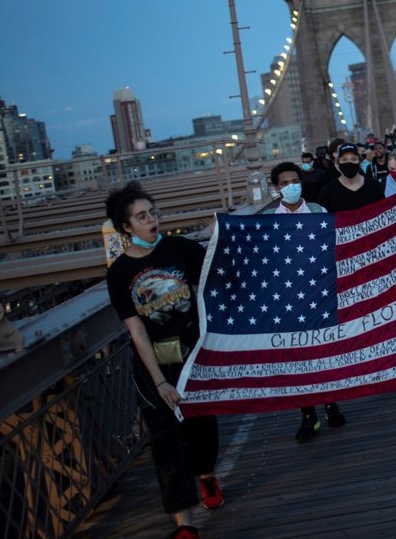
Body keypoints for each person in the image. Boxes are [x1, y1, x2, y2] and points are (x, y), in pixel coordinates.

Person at [105, 182, 223, 539]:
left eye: (153, 212)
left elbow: (217, 269)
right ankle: (184, 524)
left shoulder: (180, 249)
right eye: (142, 216)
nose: (152, 220)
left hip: (192, 357)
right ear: (127, 227)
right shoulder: (119, 273)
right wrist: (159, 382)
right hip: (153, 366)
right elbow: (136, 331)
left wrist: (221, 233)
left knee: (201, 428)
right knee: (166, 443)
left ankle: (206, 476)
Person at [262, 163, 347, 440]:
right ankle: (307, 414)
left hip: (319, 292)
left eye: (295, 180)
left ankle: (331, 403)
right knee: (298, 357)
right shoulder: (269, 221)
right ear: (276, 188)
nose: (291, 185)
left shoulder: (318, 212)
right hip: (290, 298)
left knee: (324, 350)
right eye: (284, 182)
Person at [317, 143, 385, 212]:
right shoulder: (327, 193)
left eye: (353, 159)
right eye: (344, 160)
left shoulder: (375, 186)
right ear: (338, 163)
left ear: (360, 162)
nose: (349, 163)